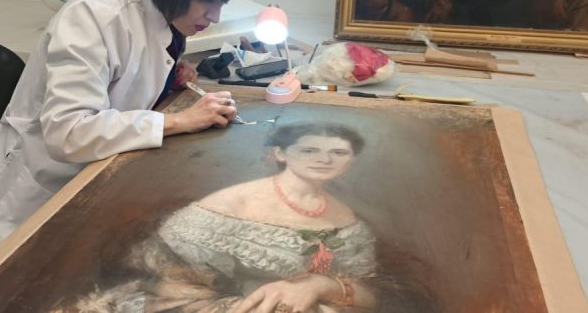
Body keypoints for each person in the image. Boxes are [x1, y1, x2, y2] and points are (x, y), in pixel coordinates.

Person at [0, 0, 254, 274]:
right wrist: (178, 121)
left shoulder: (163, 11)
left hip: (97, 183)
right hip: (32, 205)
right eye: (210, 0)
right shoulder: (96, 15)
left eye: (222, 2)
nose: (215, 16)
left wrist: (166, 80)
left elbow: (126, 75)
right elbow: (68, 132)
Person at [68, 123, 437, 312]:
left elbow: (371, 295)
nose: (325, 160)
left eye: (338, 152)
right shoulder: (230, 205)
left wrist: (318, 286)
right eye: (309, 149)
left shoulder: (348, 219)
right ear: (280, 154)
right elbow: (166, 288)